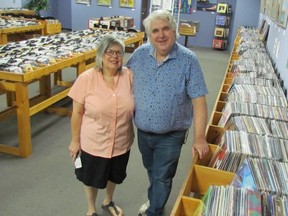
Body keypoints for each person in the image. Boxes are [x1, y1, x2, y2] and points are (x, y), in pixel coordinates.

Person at [126, 10, 209, 216]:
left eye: (165, 29)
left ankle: (154, 210)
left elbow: (199, 101)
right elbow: (121, 82)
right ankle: (155, 198)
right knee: (152, 171)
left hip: (171, 135)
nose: (161, 35)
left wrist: (199, 138)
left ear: (174, 31)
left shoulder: (188, 60)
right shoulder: (139, 56)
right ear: (149, 35)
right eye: (155, 31)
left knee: (163, 176)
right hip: (143, 132)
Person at [68, 35, 134, 216]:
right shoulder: (86, 78)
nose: (115, 56)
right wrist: (75, 141)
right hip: (94, 142)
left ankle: (108, 201)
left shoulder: (129, 76)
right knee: (90, 177)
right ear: (100, 55)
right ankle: (91, 209)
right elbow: (77, 114)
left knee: (115, 175)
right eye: (109, 52)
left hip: (122, 141)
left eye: (119, 53)